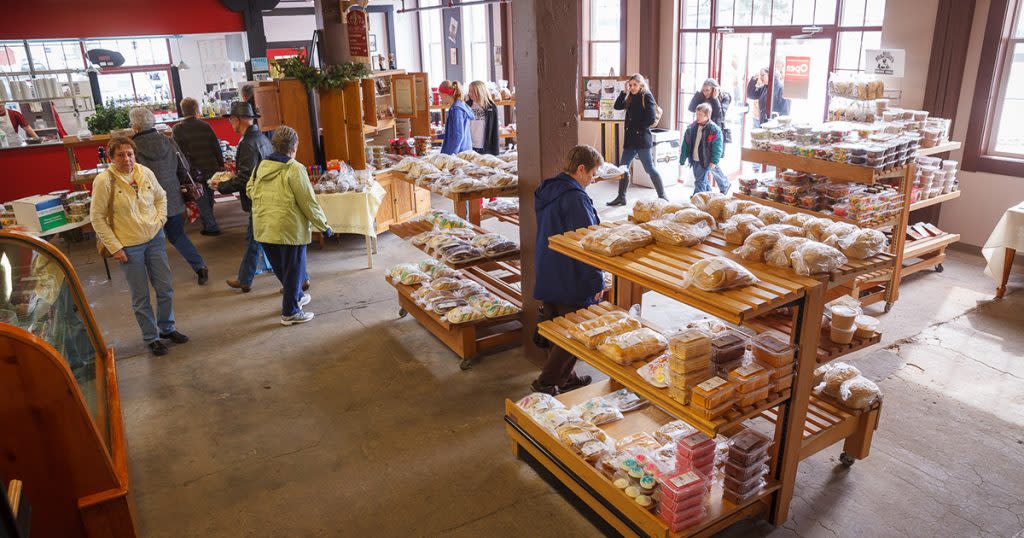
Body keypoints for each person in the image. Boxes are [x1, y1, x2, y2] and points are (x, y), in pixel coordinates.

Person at [90, 136, 188, 356]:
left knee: (165, 287)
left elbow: (161, 197)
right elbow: (97, 218)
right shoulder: (105, 181)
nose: (127, 159)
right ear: (111, 157)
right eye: (121, 155)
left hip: (154, 239)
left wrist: (160, 220)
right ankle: (151, 337)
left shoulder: (145, 172)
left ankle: (167, 328)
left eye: (130, 153)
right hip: (129, 246)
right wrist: (115, 247)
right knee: (141, 296)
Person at [531, 145, 605, 395]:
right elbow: (586, 244)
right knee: (575, 333)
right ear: (581, 169)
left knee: (555, 326)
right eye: (593, 174)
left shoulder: (548, 189)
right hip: (570, 275)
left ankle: (567, 378)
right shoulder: (575, 198)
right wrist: (597, 282)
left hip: (548, 267)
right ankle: (545, 383)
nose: (593, 180)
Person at [247, 126, 332, 325]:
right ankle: (290, 311)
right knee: (294, 269)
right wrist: (324, 225)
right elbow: (308, 202)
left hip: (264, 227)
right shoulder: (294, 168)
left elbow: (250, 190)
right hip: (288, 229)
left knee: (283, 269)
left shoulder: (261, 166)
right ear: (294, 146)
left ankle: (298, 297)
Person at [130, 107, 209, 285]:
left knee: (151, 241)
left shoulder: (133, 148)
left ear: (135, 126)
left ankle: (158, 279)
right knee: (177, 235)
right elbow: (184, 168)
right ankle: (200, 266)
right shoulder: (168, 141)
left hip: (147, 202)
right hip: (172, 197)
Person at [210, 101, 275, 293]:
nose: (230, 124)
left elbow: (246, 177)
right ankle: (245, 279)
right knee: (259, 241)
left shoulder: (248, 143)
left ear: (237, 120)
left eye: (231, 119)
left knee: (263, 241)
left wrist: (222, 186)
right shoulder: (262, 139)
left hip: (259, 199)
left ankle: (299, 279)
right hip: (267, 196)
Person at [607, 73, 665, 206]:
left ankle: (663, 196)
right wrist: (624, 92)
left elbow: (650, 119)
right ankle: (621, 197)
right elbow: (617, 106)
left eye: (635, 85)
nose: (632, 87)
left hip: (641, 140)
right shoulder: (630, 97)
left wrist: (637, 128)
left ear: (641, 85)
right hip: (630, 141)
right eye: (630, 85)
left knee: (649, 168)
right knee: (623, 168)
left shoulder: (647, 96)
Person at [172, 97, 223, 236]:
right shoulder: (205, 126)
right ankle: (209, 223)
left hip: (194, 169)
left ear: (182, 110)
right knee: (208, 196)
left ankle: (212, 226)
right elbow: (216, 146)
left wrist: (181, 171)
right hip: (210, 166)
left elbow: (178, 152)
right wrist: (221, 164)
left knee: (201, 198)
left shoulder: (177, 129)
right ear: (196, 109)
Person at [680, 103, 729, 195]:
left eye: (700, 115)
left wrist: (714, 161)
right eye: (696, 114)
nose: (697, 117)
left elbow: (717, 147)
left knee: (700, 181)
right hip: (694, 159)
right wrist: (683, 157)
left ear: (708, 116)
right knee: (702, 180)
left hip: (705, 160)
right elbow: (685, 144)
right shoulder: (691, 128)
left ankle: (697, 199)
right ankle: (708, 195)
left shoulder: (714, 130)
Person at [438, 80, 472, 155]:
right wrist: (437, 137)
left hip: (458, 153)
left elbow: (458, 135)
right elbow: (452, 133)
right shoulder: (460, 106)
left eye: (440, 95)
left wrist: (451, 155)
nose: (440, 98)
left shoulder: (456, 110)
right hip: (463, 150)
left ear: (445, 95)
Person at [466, 80, 499, 155]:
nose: (469, 93)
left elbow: (495, 130)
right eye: (469, 91)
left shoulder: (491, 107)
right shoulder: (466, 106)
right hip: (469, 147)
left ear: (480, 91)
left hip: (485, 148)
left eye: (472, 91)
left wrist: (496, 152)